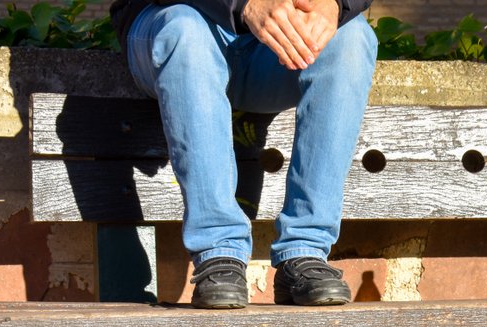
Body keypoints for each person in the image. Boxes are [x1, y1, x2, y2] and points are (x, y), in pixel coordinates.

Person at [109, 0, 377, 308]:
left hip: (273, 47)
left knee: (352, 38)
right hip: (174, 23)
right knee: (185, 29)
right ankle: (218, 252)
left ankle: (305, 252)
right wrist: (245, 5)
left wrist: (337, 4)